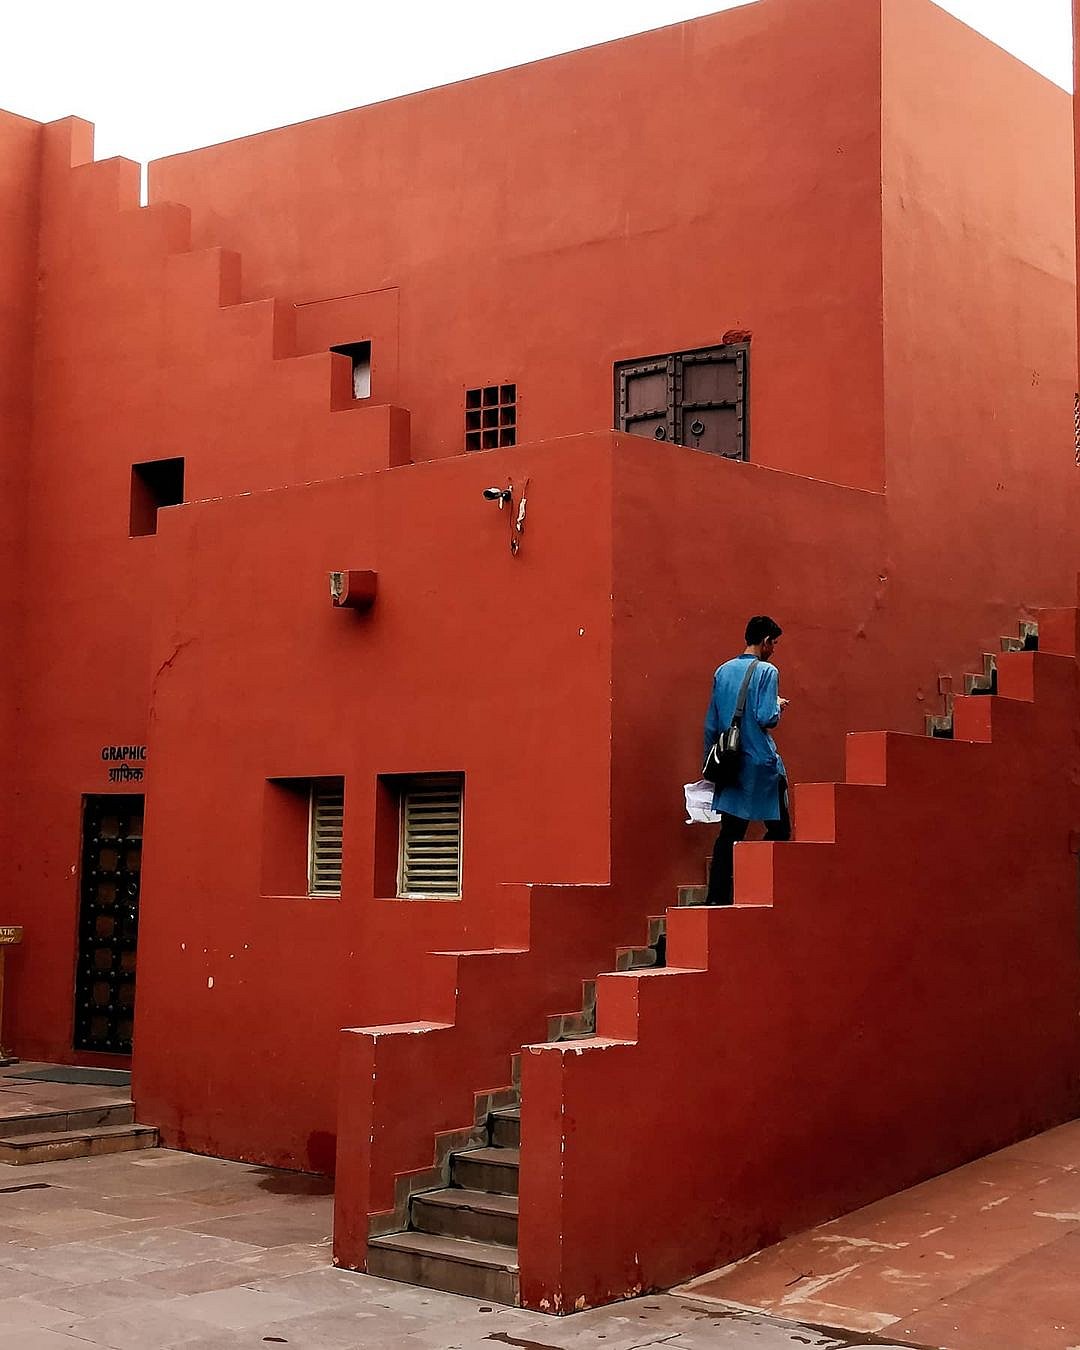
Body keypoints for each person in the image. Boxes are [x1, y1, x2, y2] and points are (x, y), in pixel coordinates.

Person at [703, 616, 790, 905]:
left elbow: (711, 723)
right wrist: (777, 705)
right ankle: (753, 879)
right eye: (773, 643)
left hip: (730, 762)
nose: (773, 649)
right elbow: (766, 717)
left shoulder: (723, 671)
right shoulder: (767, 671)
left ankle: (716, 898)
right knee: (779, 829)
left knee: (729, 833)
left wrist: (710, 763)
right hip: (760, 763)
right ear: (765, 641)